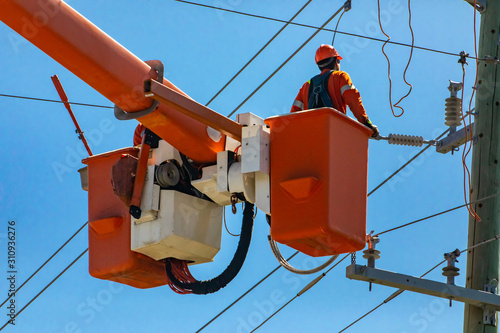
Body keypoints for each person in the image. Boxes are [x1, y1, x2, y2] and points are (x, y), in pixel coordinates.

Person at [291, 44, 379, 137]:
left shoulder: (306, 86)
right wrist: (366, 123)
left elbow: (293, 116)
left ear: (319, 65)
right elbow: (353, 100)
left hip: (311, 136)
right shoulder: (341, 76)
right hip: (334, 133)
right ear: (335, 61)